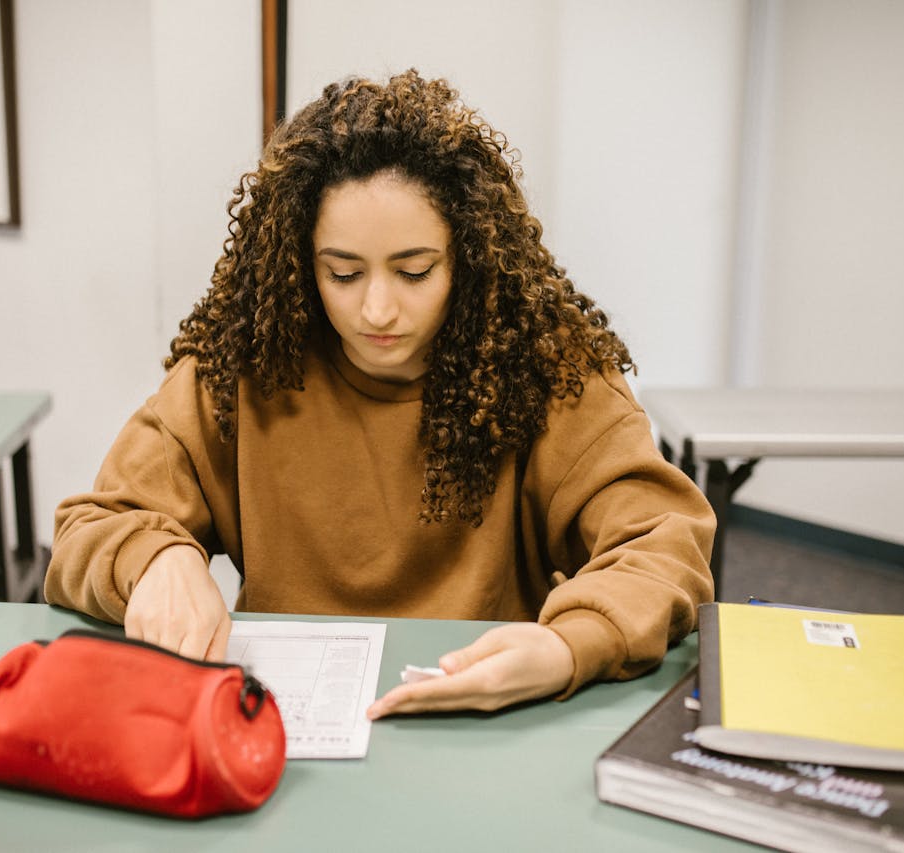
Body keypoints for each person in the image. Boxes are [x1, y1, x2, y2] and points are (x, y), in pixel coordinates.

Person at [46, 70, 715, 718]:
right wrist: (154, 557)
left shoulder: (548, 370)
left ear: (469, 258)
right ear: (299, 263)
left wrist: (567, 644)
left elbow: (664, 544)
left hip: (496, 723)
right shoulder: (243, 365)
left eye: (414, 271)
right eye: (342, 273)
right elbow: (95, 524)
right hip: (281, 732)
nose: (377, 309)